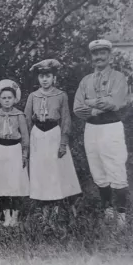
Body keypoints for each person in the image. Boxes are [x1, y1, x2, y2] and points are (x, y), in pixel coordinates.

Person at [73, 39, 129, 227]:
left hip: (111, 127)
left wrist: (91, 102)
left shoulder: (118, 77)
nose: (99, 57)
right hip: (91, 128)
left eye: (102, 53)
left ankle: (122, 215)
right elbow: (77, 107)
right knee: (97, 169)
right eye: (95, 54)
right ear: (91, 57)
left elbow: (114, 102)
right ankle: (108, 209)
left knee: (116, 167)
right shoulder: (86, 80)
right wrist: (97, 105)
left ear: (109, 56)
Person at [25, 60, 82, 221]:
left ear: (54, 78)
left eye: (48, 76)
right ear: (38, 78)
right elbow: (27, 119)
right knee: (40, 171)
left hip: (53, 134)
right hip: (37, 135)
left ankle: (57, 209)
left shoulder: (60, 95)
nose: (45, 80)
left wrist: (63, 142)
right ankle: (44, 210)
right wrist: (26, 143)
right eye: (42, 76)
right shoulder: (33, 96)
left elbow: (65, 119)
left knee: (55, 170)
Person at [0, 79, 30, 227]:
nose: (6, 101)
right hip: (0, 151)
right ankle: (7, 216)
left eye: (9, 98)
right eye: (3, 98)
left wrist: (24, 154)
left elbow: (25, 137)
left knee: (15, 184)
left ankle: (15, 217)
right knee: (4, 185)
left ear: (15, 99)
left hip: (15, 151)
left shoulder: (19, 115)